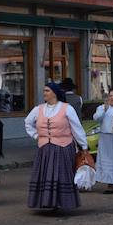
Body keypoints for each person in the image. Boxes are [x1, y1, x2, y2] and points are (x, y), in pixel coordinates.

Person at [24, 82, 87, 211]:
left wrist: (84, 145)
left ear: (55, 93)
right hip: (44, 149)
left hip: (63, 147)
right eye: (44, 90)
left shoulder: (67, 108)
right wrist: (36, 136)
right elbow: (28, 123)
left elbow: (76, 128)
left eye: (47, 91)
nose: (44, 93)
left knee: (60, 175)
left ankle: (61, 202)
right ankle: (47, 202)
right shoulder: (38, 109)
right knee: (45, 176)